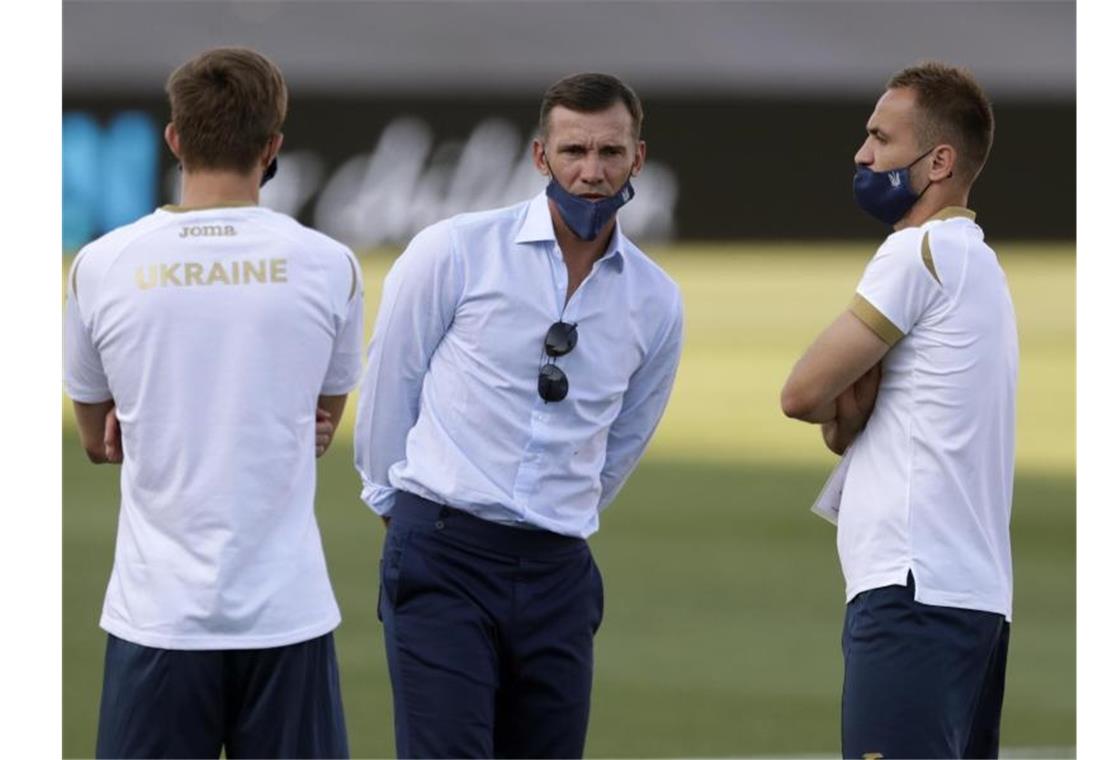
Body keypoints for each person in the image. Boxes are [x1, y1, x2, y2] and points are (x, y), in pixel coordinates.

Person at [354, 72, 684, 758]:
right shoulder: (455, 250)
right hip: (443, 553)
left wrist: (561, 513)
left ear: (637, 159)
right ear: (541, 158)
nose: (591, 173)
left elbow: (623, 441)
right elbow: (390, 383)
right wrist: (403, 511)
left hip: (558, 571)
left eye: (609, 154)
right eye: (574, 152)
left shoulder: (656, 300)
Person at [63, 47, 363, 759]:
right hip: (286, 612)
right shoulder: (330, 264)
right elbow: (324, 418)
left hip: (157, 618)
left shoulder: (102, 264)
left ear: (174, 139)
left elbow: (97, 437)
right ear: (272, 147)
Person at [780, 61, 1015, 759]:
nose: (863, 155)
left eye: (881, 138)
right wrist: (849, 418)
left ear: (938, 160)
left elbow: (801, 393)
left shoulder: (915, 251)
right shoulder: (979, 262)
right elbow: (851, 417)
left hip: (912, 593)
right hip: (976, 600)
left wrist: (840, 413)